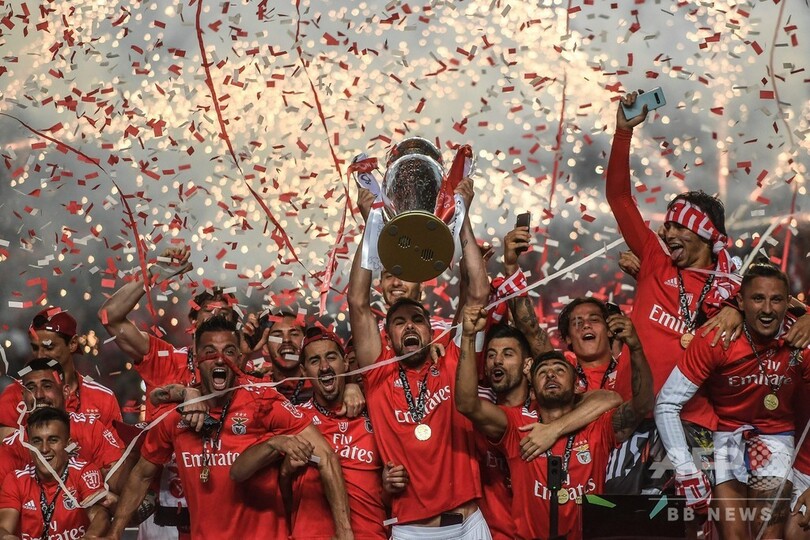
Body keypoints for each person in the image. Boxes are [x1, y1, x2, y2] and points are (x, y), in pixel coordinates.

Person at [603, 91, 750, 499]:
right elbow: (619, 198)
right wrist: (622, 134)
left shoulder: (733, 290)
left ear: (704, 233)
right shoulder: (656, 260)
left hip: (694, 423)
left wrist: (738, 309)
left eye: (678, 227)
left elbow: (780, 309)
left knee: (687, 521)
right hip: (631, 415)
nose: (667, 234)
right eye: (667, 227)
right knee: (617, 519)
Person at [107, 315, 353, 539]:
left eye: (229, 351)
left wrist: (344, 532)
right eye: (210, 352)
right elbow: (142, 475)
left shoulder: (264, 402)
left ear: (238, 357)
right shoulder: (178, 414)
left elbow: (326, 456)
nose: (220, 359)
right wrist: (115, 533)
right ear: (196, 356)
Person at [348, 175, 493, 538]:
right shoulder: (378, 371)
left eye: (417, 320)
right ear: (388, 335)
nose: (409, 326)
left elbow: (478, 293)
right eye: (399, 323)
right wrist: (372, 224)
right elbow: (357, 302)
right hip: (413, 531)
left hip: (468, 524)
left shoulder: (453, 360)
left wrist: (462, 215)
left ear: (431, 330)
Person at [456, 303, 654, 540]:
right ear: (532, 386)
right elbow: (467, 404)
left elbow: (642, 404)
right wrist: (468, 337)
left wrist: (636, 348)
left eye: (560, 370)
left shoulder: (598, 426)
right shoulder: (518, 424)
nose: (550, 374)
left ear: (577, 385)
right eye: (542, 372)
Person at [656, 261, 810, 539]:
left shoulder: (801, 340)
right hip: (727, 436)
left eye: (776, 300)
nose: (767, 309)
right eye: (757, 298)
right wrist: (685, 469)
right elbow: (667, 403)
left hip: (777, 438)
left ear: (788, 303)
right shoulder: (716, 337)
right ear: (740, 302)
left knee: (769, 536)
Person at [242, 327, 385, 539]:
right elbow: (240, 472)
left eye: (331, 357)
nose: (325, 366)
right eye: (315, 361)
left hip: (370, 535)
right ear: (304, 370)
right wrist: (284, 469)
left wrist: (353, 386)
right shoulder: (295, 419)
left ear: (346, 362)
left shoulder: (374, 414)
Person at [0, 358, 126, 492]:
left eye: (47, 386)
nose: (38, 395)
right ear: (23, 396)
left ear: (65, 391)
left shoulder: (91, 429)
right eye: (30, 388)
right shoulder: (13, 446)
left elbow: (118, 483)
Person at [0, 308, 121, 434]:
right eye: (35, 348)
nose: (40, 356)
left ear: (73, 343)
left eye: (49, 347)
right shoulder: (14, 395)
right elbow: (7, 445)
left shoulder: (103, 399)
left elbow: (115, 447)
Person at [0, 407, 110, 539]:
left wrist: (90, 536)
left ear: (68, 444)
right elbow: (3, 527)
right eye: (37, 441)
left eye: (53, 440)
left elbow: (100, 514)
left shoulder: (84, 471)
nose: (44, 449)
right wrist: (6, 537)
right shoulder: (16, 480)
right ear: (28, 446)